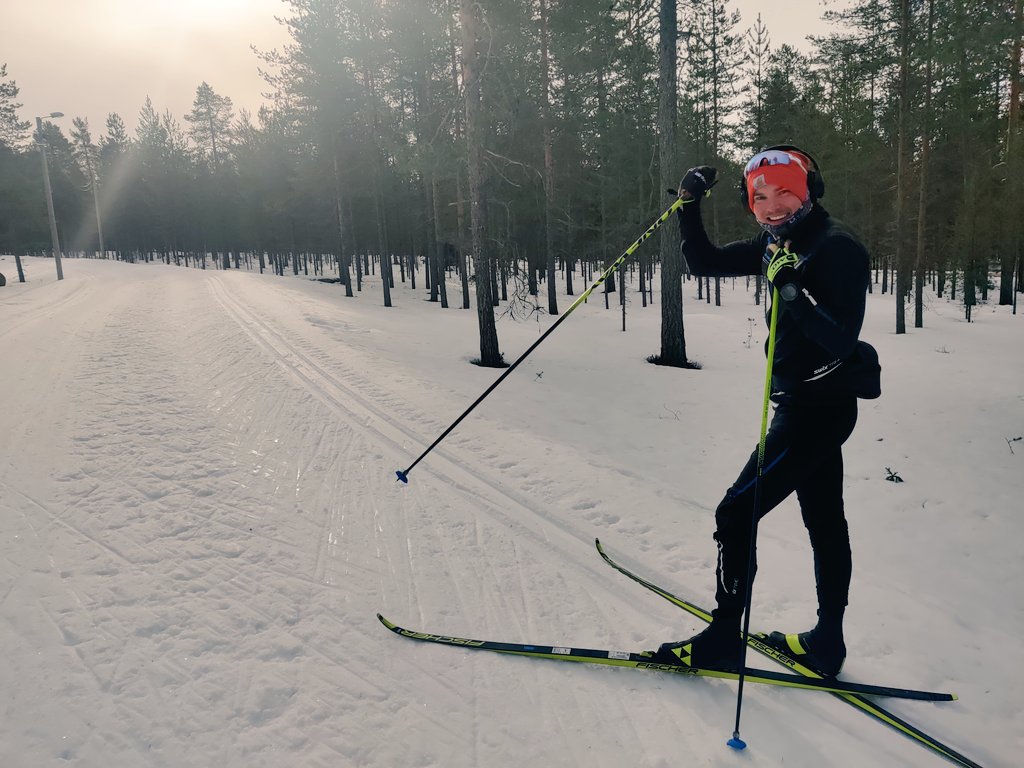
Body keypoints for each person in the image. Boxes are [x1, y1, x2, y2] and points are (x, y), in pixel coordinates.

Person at [651, 146, 881, 677]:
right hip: (803, 404)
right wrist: (688, 204)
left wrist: (791, 290)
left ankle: (722, 641)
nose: (773, 206)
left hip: (815, 410)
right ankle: (827, 643)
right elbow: (704, 262)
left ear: (809, 190)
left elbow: (843, 340)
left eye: (785, 192)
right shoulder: (778, 241)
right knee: (824, 520)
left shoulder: (835, 247)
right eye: (761, 197)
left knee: (735, 513)